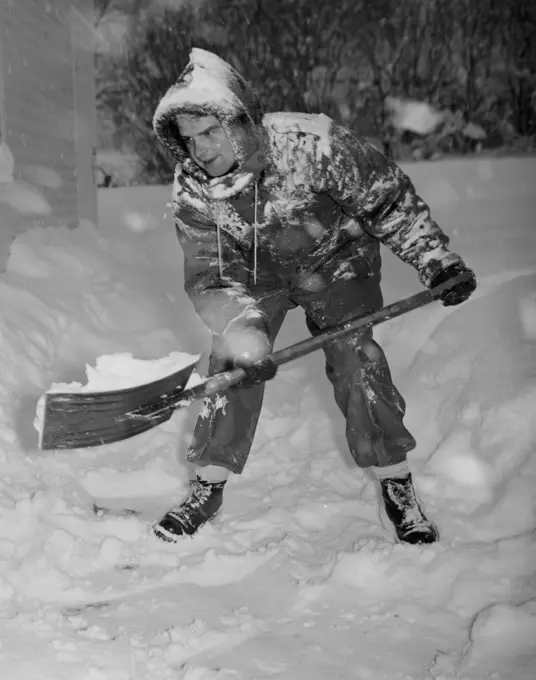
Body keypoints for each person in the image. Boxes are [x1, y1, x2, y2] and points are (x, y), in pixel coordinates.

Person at [151, 48, 476, 545]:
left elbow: (386, 198)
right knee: (232, 365)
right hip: (257, 275)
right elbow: (212, 274)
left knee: (356, 359)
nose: (201, 149)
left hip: (337, 259)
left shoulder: (309, 143)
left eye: (211, 131)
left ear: (239, 121)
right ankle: (207, 487)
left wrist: (435, 259)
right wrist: (244, 329)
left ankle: (396, 482)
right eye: (189, 138)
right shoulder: (193, 190)